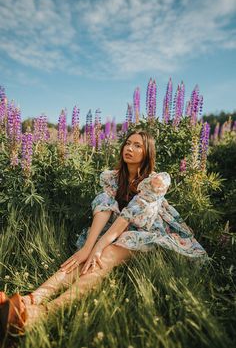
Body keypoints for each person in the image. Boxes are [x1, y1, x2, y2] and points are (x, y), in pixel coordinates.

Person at [0, 130, 207, 335]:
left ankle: (44, 314)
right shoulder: (113, 178)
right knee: (84, 257)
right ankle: (30, 300)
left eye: (137, 146)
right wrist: (89, 247)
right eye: (127, 143)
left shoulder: (157, 181)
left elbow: (128, 217)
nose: (130, 148)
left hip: (149, 233)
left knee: (103, 256)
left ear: (147, 153)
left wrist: (99, 247)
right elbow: (103, 209)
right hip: (118, 231)